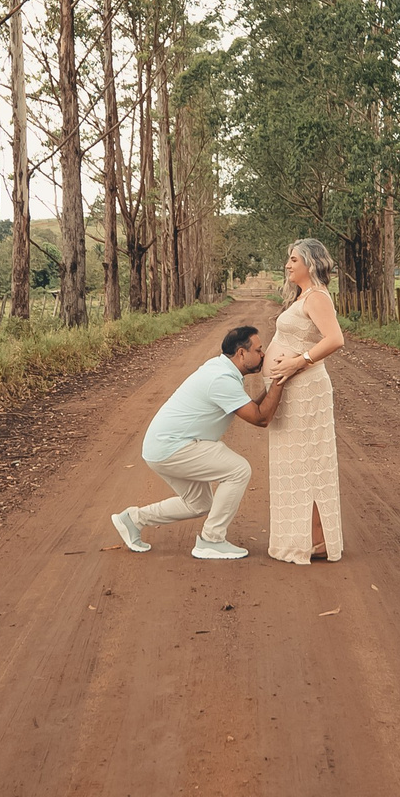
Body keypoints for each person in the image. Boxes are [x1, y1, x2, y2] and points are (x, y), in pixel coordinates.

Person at [110, 324, 281, 560]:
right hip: (173, 447)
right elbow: (261, 419)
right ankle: (212, 540)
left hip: (161, 447)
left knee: (199, 503)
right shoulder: (221, 379)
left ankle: (132, 519)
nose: (263, 355)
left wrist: (273, 384)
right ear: (242, 353)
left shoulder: (221, 370)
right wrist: (280, 382)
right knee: (239, 470)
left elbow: (253, 408)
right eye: (259, 350)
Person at [263, 237, 346, 564]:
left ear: (310, 263)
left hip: (308, 390)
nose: (288, 265)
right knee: (295, 465)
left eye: (294, 260)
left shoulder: (316, 297)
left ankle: (317, 542)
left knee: (309, 464)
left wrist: (300, 361)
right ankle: (310, 539)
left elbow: (336, 339)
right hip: (292, 392)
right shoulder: (302, 297)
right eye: (289, 259)